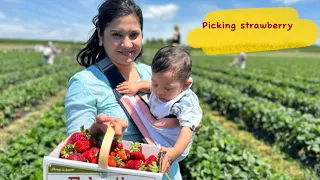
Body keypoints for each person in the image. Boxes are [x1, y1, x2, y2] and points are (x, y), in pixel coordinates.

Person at [64, 0, 200, 179]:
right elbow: (75, 143)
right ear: (100, 34)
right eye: (116, 34)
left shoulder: (150, 73)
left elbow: (183, 100)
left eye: (134, 34)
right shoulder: (85, 83)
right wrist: (96, 130)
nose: (127, 44)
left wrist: (191, 117)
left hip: (168, 174)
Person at [116, 45, 203, 173]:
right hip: (158, 126)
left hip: (172, 144)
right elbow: (150, 86)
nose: (158, 91)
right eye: (155, 83)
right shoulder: (162, 85)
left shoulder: (185, 102)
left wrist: (175, 151)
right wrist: (137, 86)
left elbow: (188, 128)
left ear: (185, 85)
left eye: (168, 88)